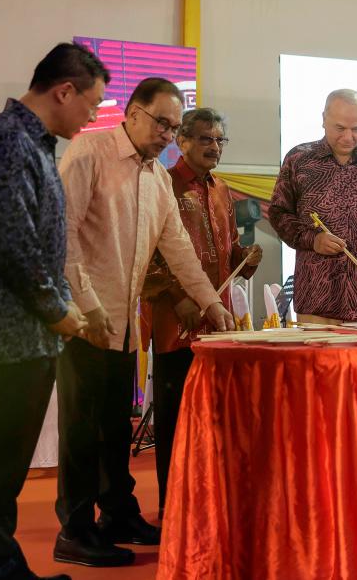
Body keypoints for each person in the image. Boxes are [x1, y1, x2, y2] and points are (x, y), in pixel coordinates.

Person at [55, 77, 235, 567]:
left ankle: (117, 513)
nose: (166, 134)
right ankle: (73, 529)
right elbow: (62, 236)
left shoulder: (156, 176)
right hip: (82, 320)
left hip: (124, 325)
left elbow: (177, 248)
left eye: (174, 127)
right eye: (162, 123)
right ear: (132, 113)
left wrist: (211, 302)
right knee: (80, 429)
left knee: (115, 425)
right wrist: (87, 305)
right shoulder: (89, 153)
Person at [0, 43, 110, 580]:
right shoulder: (5, 141)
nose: (93, 117)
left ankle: (3, 571)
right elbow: (13, 243)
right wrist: (56, 309)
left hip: (26, 335)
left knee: (3, 470)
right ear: (63, 91)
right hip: (6, 335)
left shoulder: (32, 143)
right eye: (91, 104)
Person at [141, 107, 261, 513]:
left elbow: (224, 253)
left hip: (217, 320)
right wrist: (178, 296)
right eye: (206, 139)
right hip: (176, 321)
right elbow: (148, 251)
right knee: (176, 420)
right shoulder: (163, 184)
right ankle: (172, 510)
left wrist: (246, 256)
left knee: (214, 418)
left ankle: (208, 507)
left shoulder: (222, 188)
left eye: (219, 140)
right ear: (183, 141)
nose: (214, 147)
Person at [269, 89, 357, 323]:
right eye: (340, 128)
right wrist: (313, 239)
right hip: (316, 299)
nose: (349, 137)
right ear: (323, 119)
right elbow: (278, 214)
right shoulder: (299, 160)